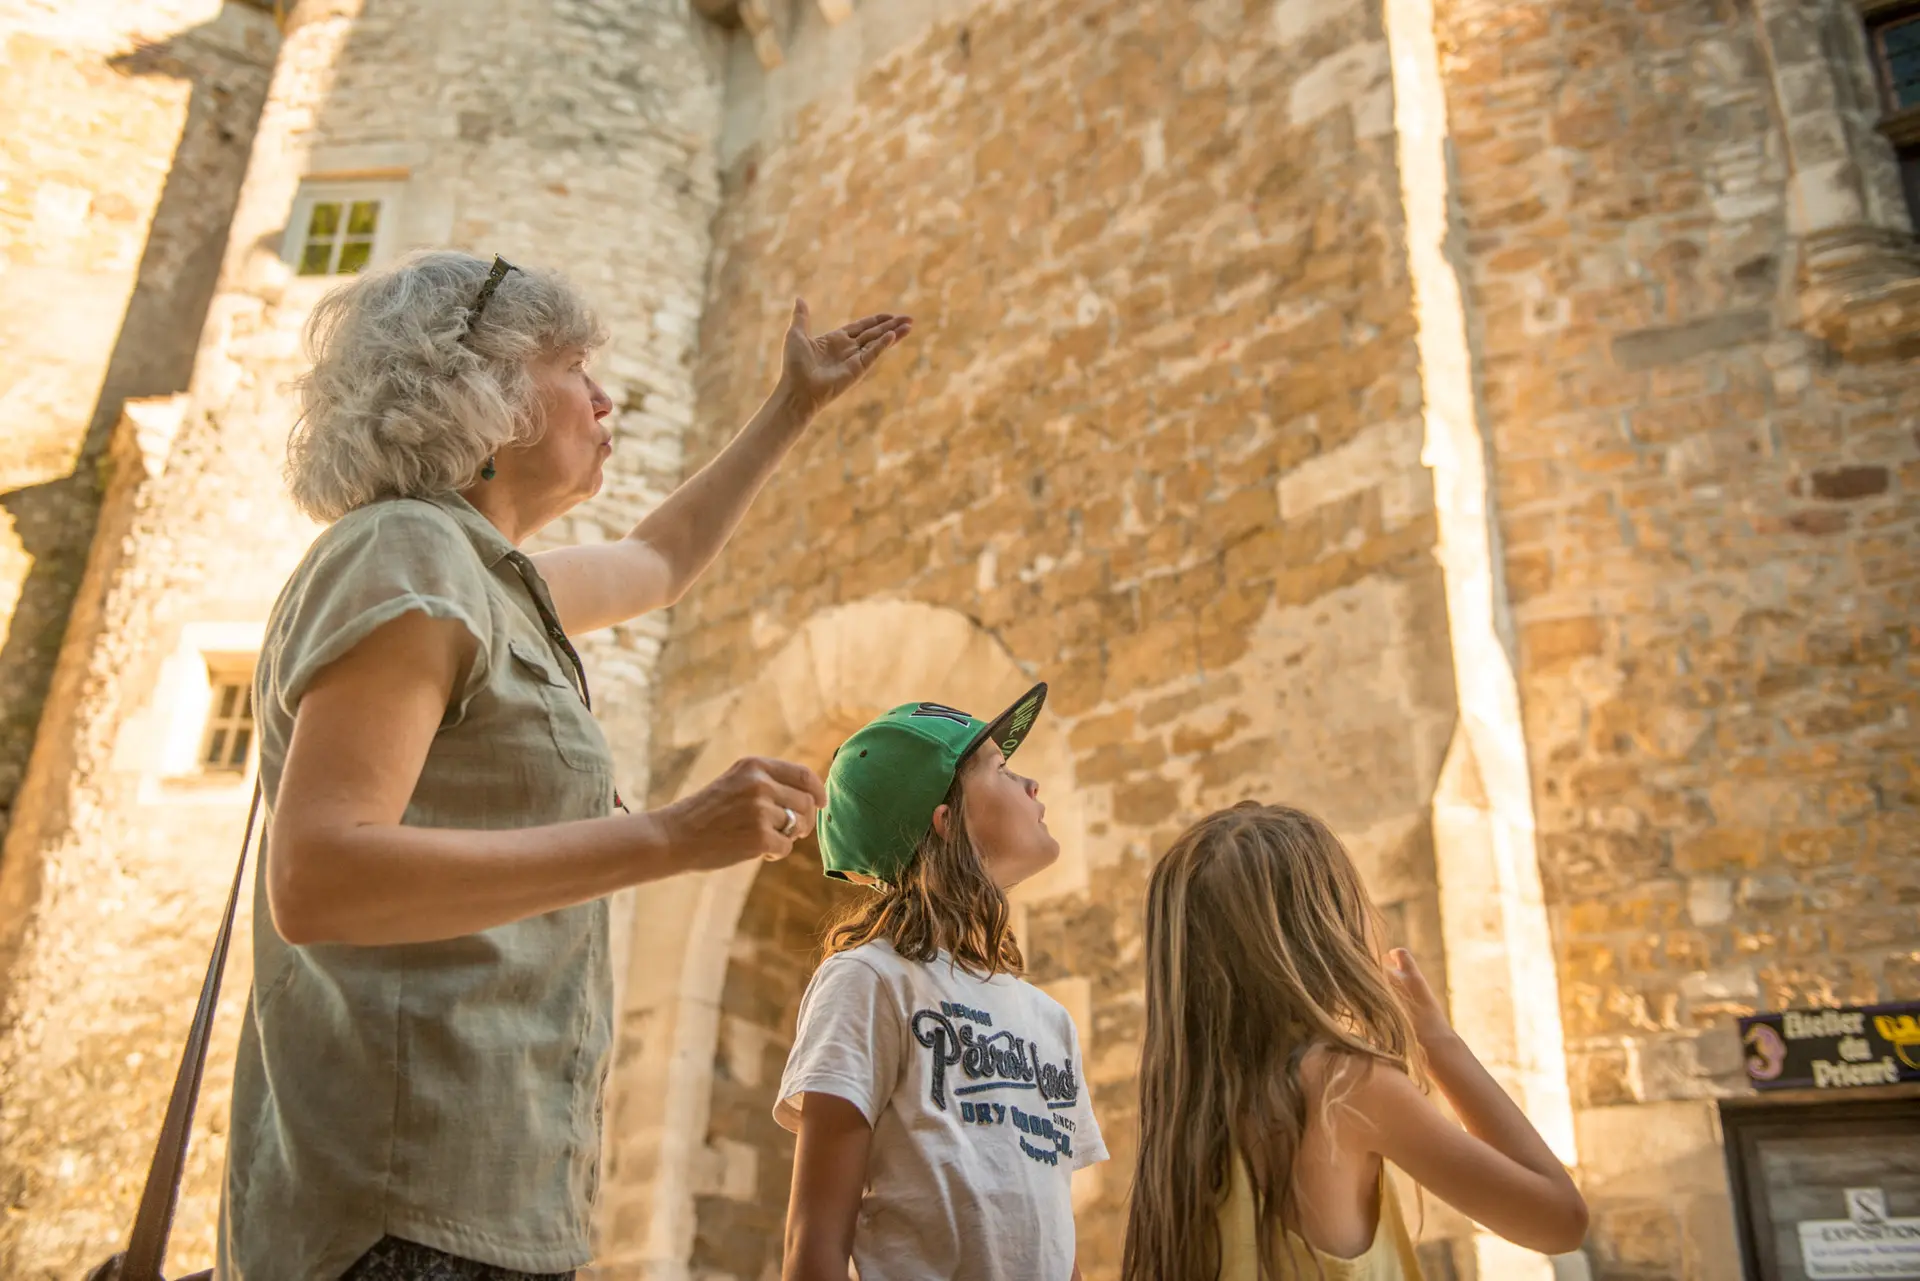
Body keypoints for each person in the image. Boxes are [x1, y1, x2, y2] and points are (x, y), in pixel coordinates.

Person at [222, 249, 911, 1281]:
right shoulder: (406, 553)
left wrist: (789, 411)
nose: (604, 395)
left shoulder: (491, 582)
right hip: (403, 1219)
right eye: (573, 364)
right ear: (480, 389)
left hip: (488, 1206)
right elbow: (319, 878)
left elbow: (661, 561)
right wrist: (672, 838)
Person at [1122, 803, 1589, 1281]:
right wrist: (1438, 1041)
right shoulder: (1344, 1084)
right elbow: (1559, 1221)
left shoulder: (1183, 1106)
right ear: (1329, 929)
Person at [775, 686, 1106, 1281]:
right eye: (1003, 770)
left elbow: (1054, 1237)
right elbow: (815, 1238)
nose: (1033, 787)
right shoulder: (868, 980)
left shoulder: (1049, 1020)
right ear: (946, 821)